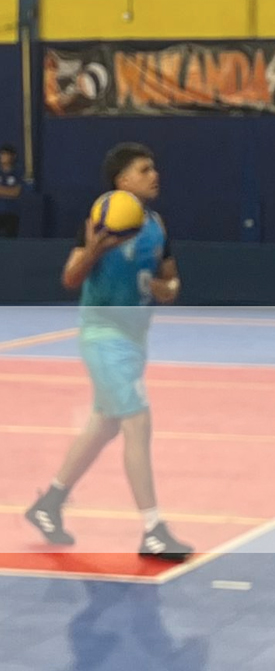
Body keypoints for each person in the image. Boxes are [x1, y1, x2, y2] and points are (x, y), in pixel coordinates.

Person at [23, 143, 192, 560]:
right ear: (122, 181)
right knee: (137, 421)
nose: (155, 175)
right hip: (103, 336)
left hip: (135, 340)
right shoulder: (100, 223)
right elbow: (69, 278)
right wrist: (96, 249)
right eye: (144, 169)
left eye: (154, 168)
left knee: (105, 425)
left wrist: (163, 289)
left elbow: (172, 283)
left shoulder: (156, 225)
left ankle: (50, 503)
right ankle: (153, 528)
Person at [0, 143, 21, 238]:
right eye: (2, 154)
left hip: (11, 213)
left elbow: (16, 192)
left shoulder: (17, 173)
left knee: (10, 240)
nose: (3, 156)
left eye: (6, 154)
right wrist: (7, 191)